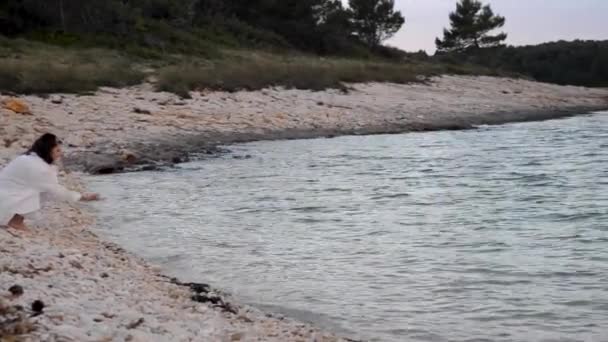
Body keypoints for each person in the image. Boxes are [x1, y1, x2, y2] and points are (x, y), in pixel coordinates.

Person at [0, 133, 99, 232]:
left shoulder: (28, 158)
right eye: (57, 150)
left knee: (39, 190)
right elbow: (56, 191)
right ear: (47, 151)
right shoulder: (38, 167)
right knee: (38, 192)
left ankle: (13, 219)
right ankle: (15, 221)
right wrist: (81, 197)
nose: (60, 154)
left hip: (5, 194)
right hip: (6, 197)